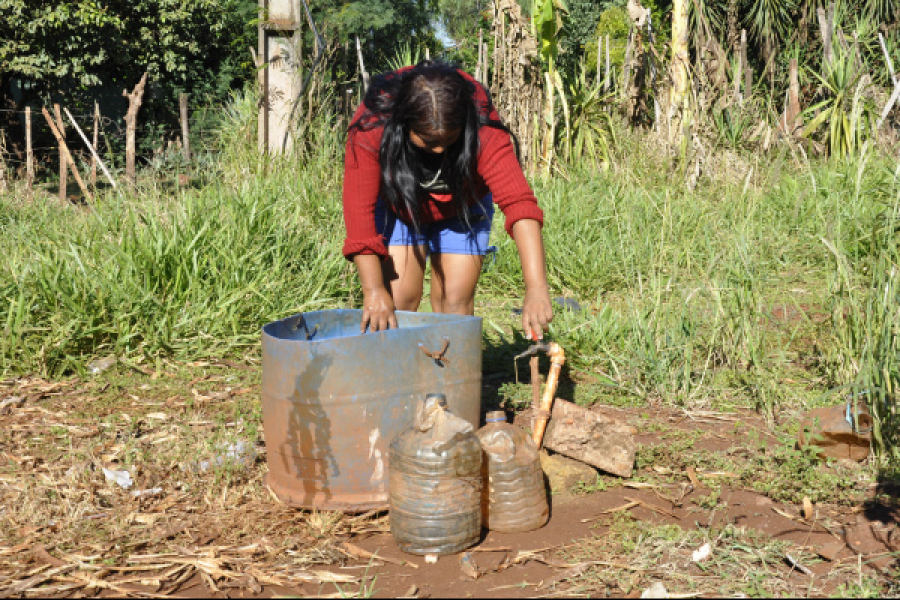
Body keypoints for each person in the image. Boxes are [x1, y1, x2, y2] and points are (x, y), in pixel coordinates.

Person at [341, 60, 553, 340]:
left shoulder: (482, 127)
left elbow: (520, 205)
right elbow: (359, 214)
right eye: (429, 141)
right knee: (399, 301)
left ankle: (451, 379)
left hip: (463, 205)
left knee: (454, 303)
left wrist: (536, 288)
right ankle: (398, 378)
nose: (440, 149)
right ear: (403, 124)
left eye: (450, 140)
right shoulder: (372, 127)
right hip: (400, 204)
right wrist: (373, 291)